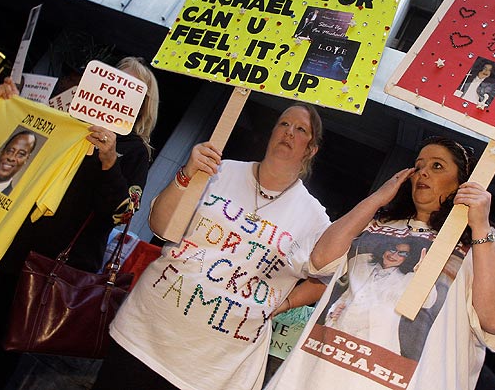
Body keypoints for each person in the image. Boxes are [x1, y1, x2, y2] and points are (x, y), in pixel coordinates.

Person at [0, 56, 159, 390]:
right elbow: (4, 160)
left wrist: (108, 160)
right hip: (3, 248)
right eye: (111, 81)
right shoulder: (64, 126)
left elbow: (121, 213)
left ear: (142, 106)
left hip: (49, 269)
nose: (115, 92)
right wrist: (6, 103)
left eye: (129, 89)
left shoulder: (133, 151)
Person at [92, 103, 334, 390]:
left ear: (311, 149)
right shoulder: (220, 170)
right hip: (146, 332)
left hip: (210, 368)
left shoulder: (315, 218)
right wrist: (186, 174)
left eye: (300, 129)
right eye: (283, 124)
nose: (289, 132)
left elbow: (325, 279)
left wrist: (284, 304)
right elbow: (159, 226)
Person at [266, 136, 495, 390]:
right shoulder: (375, 224)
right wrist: (378, 199)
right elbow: (319, 261)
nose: (423, 172)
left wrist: (480, 225)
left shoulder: (482, 243)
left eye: (437, 166)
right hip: (318, 377)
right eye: (419, 165)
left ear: (463, 183)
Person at [322, 234, 435, 356]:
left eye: (402, 254)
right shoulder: (361, 264)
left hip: (374, 345)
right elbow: (345, 297)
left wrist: (422, 275)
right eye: (392, 249)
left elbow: (427, 301)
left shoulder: (408, 279)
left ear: (408, 259)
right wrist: (332, 314)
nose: (394, 255)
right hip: (338, 335)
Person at [0, 130, 37, 195]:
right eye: (10, 150)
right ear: (2, 151)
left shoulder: (14, 199)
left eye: (21, 154)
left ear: (26, 160)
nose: (11, 158)